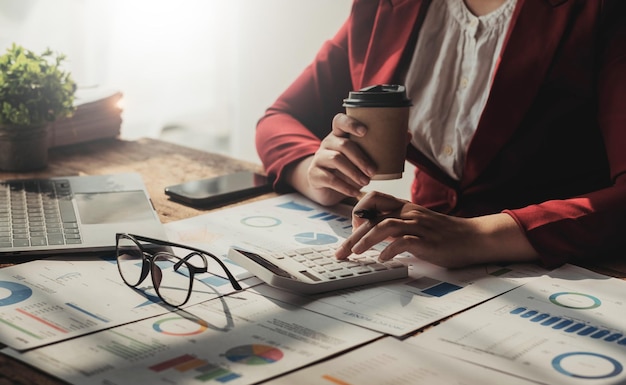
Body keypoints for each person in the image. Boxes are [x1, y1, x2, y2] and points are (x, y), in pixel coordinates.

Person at [255, 0, 626, 269]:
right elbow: (280, 118)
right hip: (420, 261)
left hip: (566, 267)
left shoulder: (602, 11)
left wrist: (480, 236)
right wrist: (318, 174)